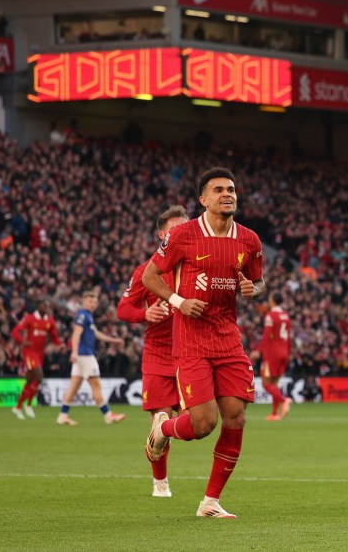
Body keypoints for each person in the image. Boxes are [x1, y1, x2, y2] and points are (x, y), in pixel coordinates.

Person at [141, 167, 265, 519]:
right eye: (219, 190)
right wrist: (179, 302)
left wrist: (252, 289)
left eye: (231, 189)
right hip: (192, 341)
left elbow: (258, 283)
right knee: (203, 424)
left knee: (236, 418)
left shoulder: (250, 240)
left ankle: (210, 501)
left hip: (228, 339)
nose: (228, 194)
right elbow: (151, 275)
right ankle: (163, 429)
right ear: (203, 199)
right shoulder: (182, 235)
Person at [116, 205, 190, 498]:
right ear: (162, 235)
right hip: (158, 356)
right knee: (159, 419)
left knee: (196, 420)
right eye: (175, 229)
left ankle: (162, 428)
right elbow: (123, 309)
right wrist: (145, 314)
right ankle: (160, 481)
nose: (181, 234)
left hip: (189, 353)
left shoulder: (196, 265)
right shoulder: (146, 271)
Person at [57, 290, 128, 425]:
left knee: (74, 386)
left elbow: (96, 334)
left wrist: (114, 341)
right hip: (85, 356)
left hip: (81, 356)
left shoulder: (88, 316)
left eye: (95, 302)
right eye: (90, 301)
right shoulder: (83, 316)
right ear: (84, 301)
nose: (93, 304)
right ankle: (108, 415)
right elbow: (76, 334)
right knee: (96, 385)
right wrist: (74, 352)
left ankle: (63, 415)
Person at [10, 300, 62, 419]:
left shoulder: (49, 320)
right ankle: (28, 405)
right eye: (44, 305)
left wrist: (60, 344)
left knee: (31, 380)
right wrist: (23, 341)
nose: (46, 307)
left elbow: (55, 336)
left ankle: (18, 407)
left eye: (47, 305)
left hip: (40, 353)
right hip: (29, 351)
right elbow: (15, 331)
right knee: (39, 375)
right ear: (38, 306)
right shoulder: (29, 318)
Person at [258, 291, 293, 421]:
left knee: (266, 384)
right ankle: (274, 413)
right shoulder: (286, 316)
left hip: (272, 353)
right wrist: (288, 353)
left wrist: (258, 350)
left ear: (272, 301)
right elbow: (289, 337)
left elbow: (266, 336)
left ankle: (284, 400)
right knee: (275, 384)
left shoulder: (271, 316)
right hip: (284, 352)